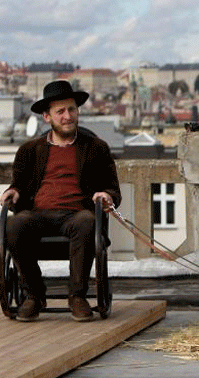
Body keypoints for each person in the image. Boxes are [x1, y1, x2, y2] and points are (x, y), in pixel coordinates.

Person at [0, 80, 121, 322]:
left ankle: (77, 296)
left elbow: (112, 188)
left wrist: (106, 195)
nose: (68, 116)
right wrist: (12, 191)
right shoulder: (29, 150)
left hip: (77, 214)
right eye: (60, 111)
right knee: (12, 225)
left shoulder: (96, 148)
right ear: (47, 117)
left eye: (72, 109)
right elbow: (20, 185)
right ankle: (34, 295)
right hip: (38, 214)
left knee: (87, 222)